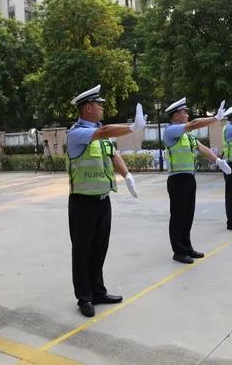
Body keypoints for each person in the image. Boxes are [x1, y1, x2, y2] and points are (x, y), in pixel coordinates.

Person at [66, 85, 144, 318]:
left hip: (102, 201)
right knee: (82, 252)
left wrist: (127, 175)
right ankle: (84, 297)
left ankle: (98, 291)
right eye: (99, 104)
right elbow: (106, 132)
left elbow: (114, 154)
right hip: (82, 203)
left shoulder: (100, 133)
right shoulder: (77, 133)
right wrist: (132, 128)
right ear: (88, 107)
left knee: (99, 249)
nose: (102, 108)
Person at [163, 98, 231, 264]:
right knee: (178, 216)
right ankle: (178, 251)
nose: (187, 114)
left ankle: (187, 247)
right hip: (177, 179)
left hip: (188, 178)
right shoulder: (171, 131)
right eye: (184, 112)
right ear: (176, 115)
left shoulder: (187, 136)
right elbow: (193, 124)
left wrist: (217, 161)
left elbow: (202, 148)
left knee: (188, 215)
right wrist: (214, 118)